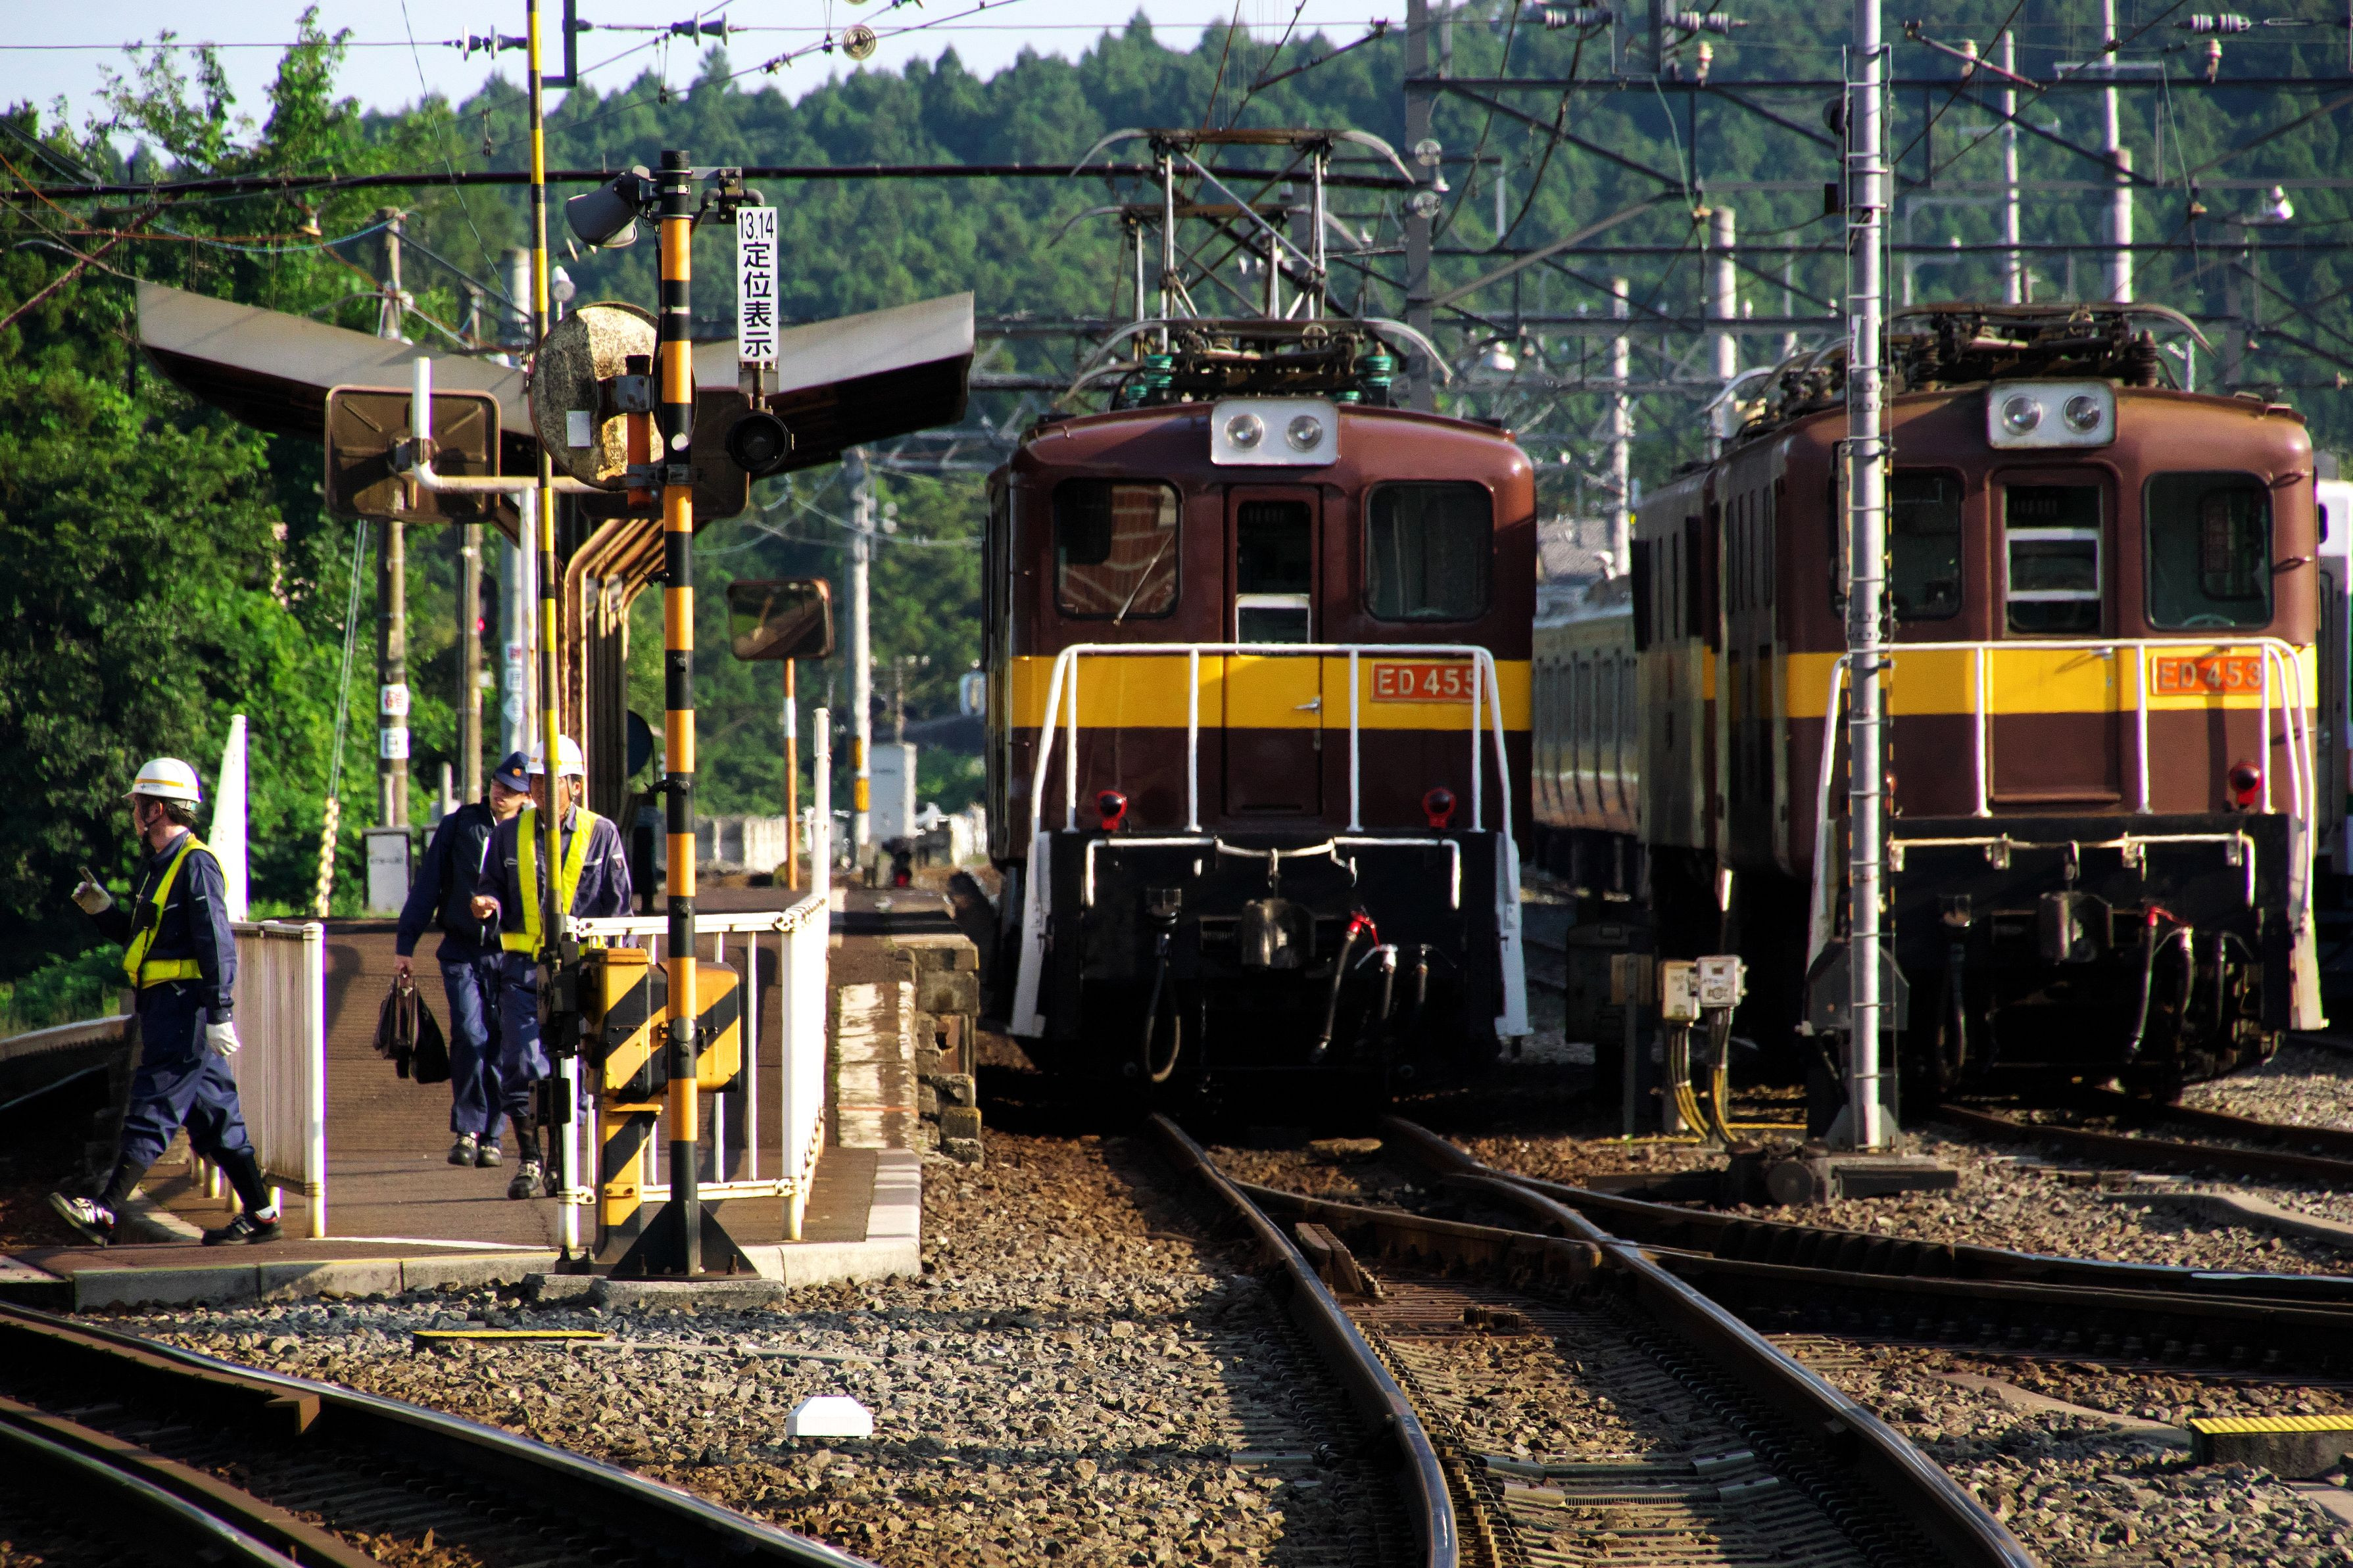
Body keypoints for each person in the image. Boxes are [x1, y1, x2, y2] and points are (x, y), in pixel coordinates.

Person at [51, 759, 281, 1247]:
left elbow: (216, 942)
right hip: (170, 1010)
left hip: (184, 1012)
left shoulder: (194, 864)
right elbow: (145, 940)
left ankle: (106, 1210)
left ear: (156, 809)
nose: (133, 813)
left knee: (152, 1104)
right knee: (217, 1121)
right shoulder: (160, 867)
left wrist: (220, 1012)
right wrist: (104, 911)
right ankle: (262, 1215)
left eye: (137, 804)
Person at [471, 735, 632, 1200]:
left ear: (575, 786)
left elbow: (620, 908)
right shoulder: (508, 833)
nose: (540, 787)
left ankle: (561, 1163)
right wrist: (486, 902)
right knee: (523, 1062)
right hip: (523, 970)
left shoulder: (602, 833)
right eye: (536, 780)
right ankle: (530, 1159)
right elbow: (491, 883)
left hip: (583, 972)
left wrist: (620, 967)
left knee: (571, 1070)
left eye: (551, 780)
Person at [396, 751, 531, 1170]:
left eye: (511, 790)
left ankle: (494, 1135)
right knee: (470, 1035)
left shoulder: (531, 835)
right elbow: (428, 885)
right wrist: (406, 945)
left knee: (501, 1042)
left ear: (526, 798)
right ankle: (467, 1129)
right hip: (461, 951)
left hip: (509, 954)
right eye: (497, 784)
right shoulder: (460, 826)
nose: (500, 793)